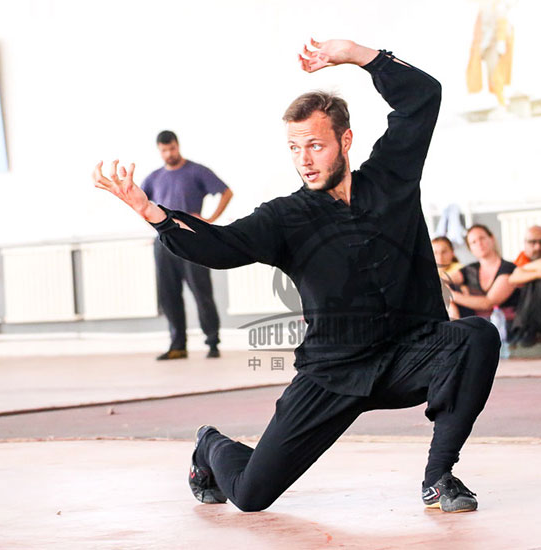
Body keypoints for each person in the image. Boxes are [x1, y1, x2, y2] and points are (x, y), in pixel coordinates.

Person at [93, 38, 500, 513]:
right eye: (294, 147)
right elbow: (219, 247)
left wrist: (356, 54)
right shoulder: (285, 217)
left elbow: (422, 97)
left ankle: (438, 477)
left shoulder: (392, 177)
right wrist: (153, 213)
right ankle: (210, 446)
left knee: (475, 336)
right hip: (332, 373)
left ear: (345, 141)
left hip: (410, 356)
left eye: (315, 145)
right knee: (249, 495)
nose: (304, 159)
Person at [141, 130, 234, 360]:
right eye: (164, 150)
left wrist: (210, 220)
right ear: (159, 150)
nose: (169, 153)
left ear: (177, 145)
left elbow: (226, 192)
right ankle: (177, 345)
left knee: (201, 291)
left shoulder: (196, 171)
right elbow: (140, 202)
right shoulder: (154, 178)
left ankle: (212, 342)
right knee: (168, 294)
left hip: (192, 239)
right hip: (164, 242)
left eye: (172, 148)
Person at [449, 224, 519, 322]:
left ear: (492, 239)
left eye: (482, 238)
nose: (479, 244)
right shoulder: (470, 269)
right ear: (470, 249)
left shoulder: (508, 268)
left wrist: (452, 296)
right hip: (478, 324)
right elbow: (442, 280)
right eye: (473, 242)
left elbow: (488, 303)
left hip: (505, 325)